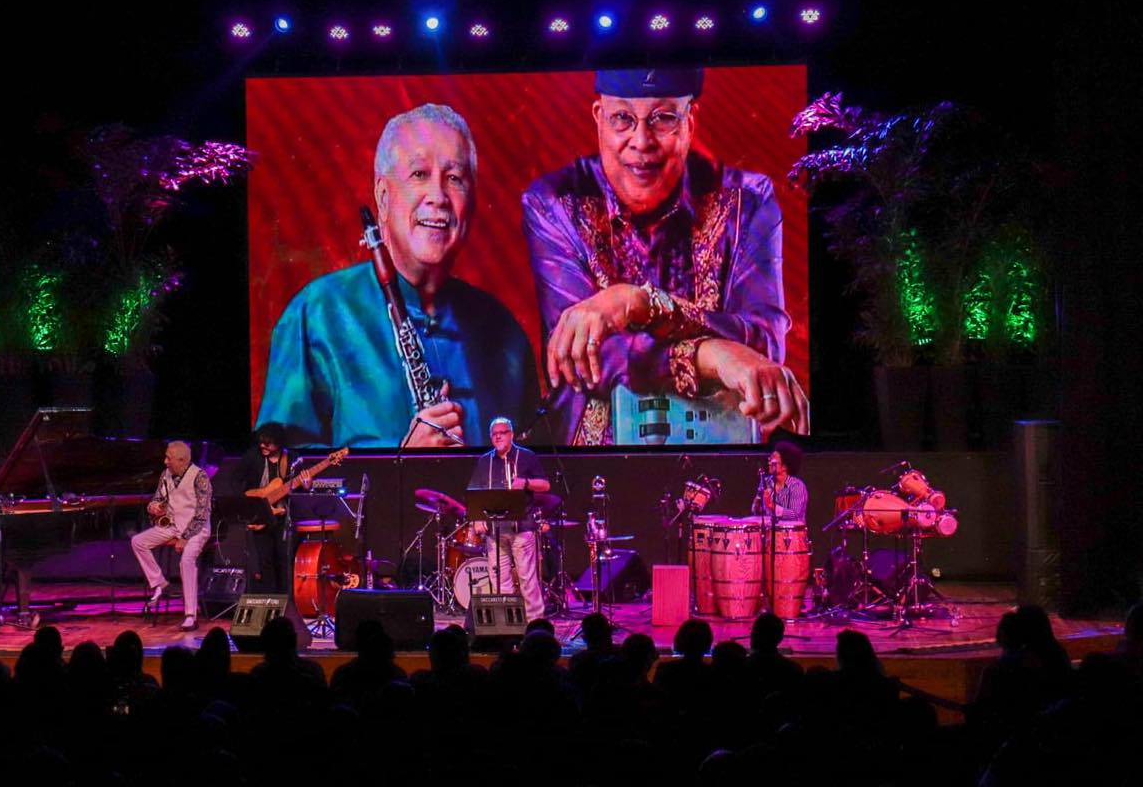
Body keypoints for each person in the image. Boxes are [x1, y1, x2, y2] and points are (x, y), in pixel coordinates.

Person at [522, 67, 808, 444]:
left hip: (722, 453)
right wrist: (714, 356)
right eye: (623, 118)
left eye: (663, 118)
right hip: (588, 467)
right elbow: (585, 359)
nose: (641, 141)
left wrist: (639, 303)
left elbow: (764, 344)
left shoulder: (747, 199)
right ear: (599, 119)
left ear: (690, 120)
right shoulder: (555, 201)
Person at [257, 103, 538, 448]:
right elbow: (282, 479)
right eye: (419, 174)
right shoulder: (315, 315)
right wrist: (401, 467)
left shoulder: (503, 331)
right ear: (383, 197)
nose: (438, 197)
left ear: (473, 202)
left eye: (454, 179)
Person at [466, 416, 549, 621]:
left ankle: (535, 622)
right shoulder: (485, 460)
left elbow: (545, 485)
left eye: (502, 433)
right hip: (495, 531)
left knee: (527, 579)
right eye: (494, 434)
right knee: (499, 578)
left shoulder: (527, 456)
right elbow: (475, 492)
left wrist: (526, 482)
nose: (498, 437)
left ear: (511, 434)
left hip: (522, 527)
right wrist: (477, 519)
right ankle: (510, 621)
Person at [131, 441, 213, 631]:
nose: (165, 461)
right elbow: (156, 499)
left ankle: (190, 615)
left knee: (186, 561)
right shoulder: (166, 474)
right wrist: (154, 507)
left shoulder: (200, 478)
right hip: (173, 525)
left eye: (169, 458)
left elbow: (202, 514)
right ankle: (159, 582)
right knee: (138, 541)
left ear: (182, 460)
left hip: (196, 529)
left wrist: (185, 537)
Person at [229, 422, 291, 592]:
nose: (262, 446)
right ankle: (271, 602)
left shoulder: (290, 458)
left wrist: (306, 483)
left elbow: (300, 486)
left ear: (278, 443)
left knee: (283, 559)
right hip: (260, 516)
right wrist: (246, 501)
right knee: (265, 560)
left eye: (268, 443)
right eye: (261, 442)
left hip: (282, 517)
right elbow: (235, 479)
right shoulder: (253, 456)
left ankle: (285, 601)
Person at [751, 440, 808, 521]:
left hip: (791, 533)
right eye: (769, 459)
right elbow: (757, 512)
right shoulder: (766, 482)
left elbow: (795, 515)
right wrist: (757, 504)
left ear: (784, 466)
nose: (769, 463)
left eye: (773, 460)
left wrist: (772, 505)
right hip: (770, 531)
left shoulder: (796, 486)